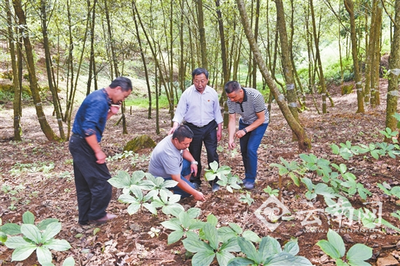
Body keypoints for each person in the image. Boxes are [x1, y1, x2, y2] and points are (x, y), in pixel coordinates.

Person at [69, 77, 132, 225]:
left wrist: (111, 113)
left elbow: (95, 121)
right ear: (118, 89)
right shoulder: (99, 101)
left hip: (78, 143)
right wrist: (98, 151)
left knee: (84, 184)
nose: (123, 99)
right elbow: (88, 129)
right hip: (84, 144)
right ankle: (97, 215)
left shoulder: (101, 97)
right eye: (124, 96)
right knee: (103, 182)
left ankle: (85, 219)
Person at [169, 68, 223, 192]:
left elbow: (217, 112)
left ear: (207, 80)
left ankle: (215, 181)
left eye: (202, 81)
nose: (199, 84)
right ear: (193, 80)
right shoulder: (187, 94)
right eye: (196, 81)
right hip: (193, 128)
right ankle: (195, 180)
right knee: (194, 154)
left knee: (212, 153)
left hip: (210, 126)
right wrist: (175, 126)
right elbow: (179, 112)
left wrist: (219, 128)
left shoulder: (212, 93)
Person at [225, 81, 269, 190]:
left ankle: (251, 179)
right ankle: (247, 177)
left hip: (260, 123)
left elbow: (261, 119)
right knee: (244, 150)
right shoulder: (230, 100)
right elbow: (232, 119)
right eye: (229, 97)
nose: (231, 100)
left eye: (233, 97)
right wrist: (230, 139)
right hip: (244, 121)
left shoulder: (255, 96)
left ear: (240, 91)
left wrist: (245, 131)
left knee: (251, 149)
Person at [149, 125, 206, 201]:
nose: (188, 146)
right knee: (189, 191)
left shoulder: (175, 138)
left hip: (173, 169)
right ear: (176, 140)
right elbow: (176, 179)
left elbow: (184, 151)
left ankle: (185, 185)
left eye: (189, 143)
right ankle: (167, 193)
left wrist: (193, 162)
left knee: (188, 163)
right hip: (161, 177)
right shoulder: (168, 153)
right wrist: (195, 193)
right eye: (185, 144)